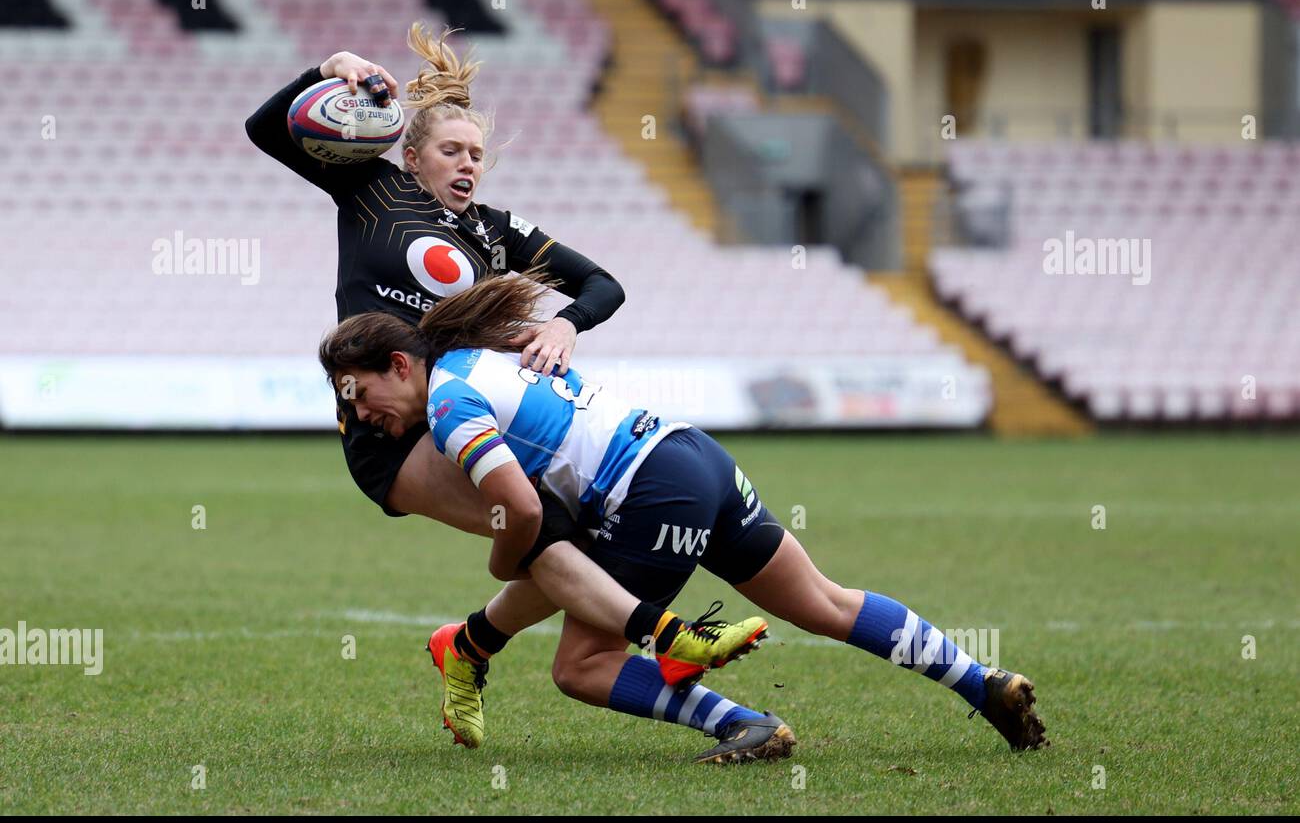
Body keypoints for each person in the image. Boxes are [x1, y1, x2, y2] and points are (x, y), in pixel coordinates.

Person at [245, 25, 765, 750]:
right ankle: (671, 640)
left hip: (466, 408)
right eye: (452, 151)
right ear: (412, 155)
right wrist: (328, 64)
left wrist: (567, 327)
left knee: (565, 534)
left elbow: (602, 283)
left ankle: (470, 646)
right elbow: (264, 128)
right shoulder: (368, 186)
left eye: (478, 155)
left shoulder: (494, 233)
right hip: (389, 427)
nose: (468, 165)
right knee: (540, 526)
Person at [318, 276, 1051, 757]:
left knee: (581, 666)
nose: (360, 416)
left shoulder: (448, 405)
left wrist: (505, 560)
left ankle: (742, 725)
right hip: (690, 452)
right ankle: (979, 680)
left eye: (359, 394)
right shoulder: (482, 357)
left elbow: (521, 509)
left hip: (648, 493)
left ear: (400, 365)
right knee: (826, 601)